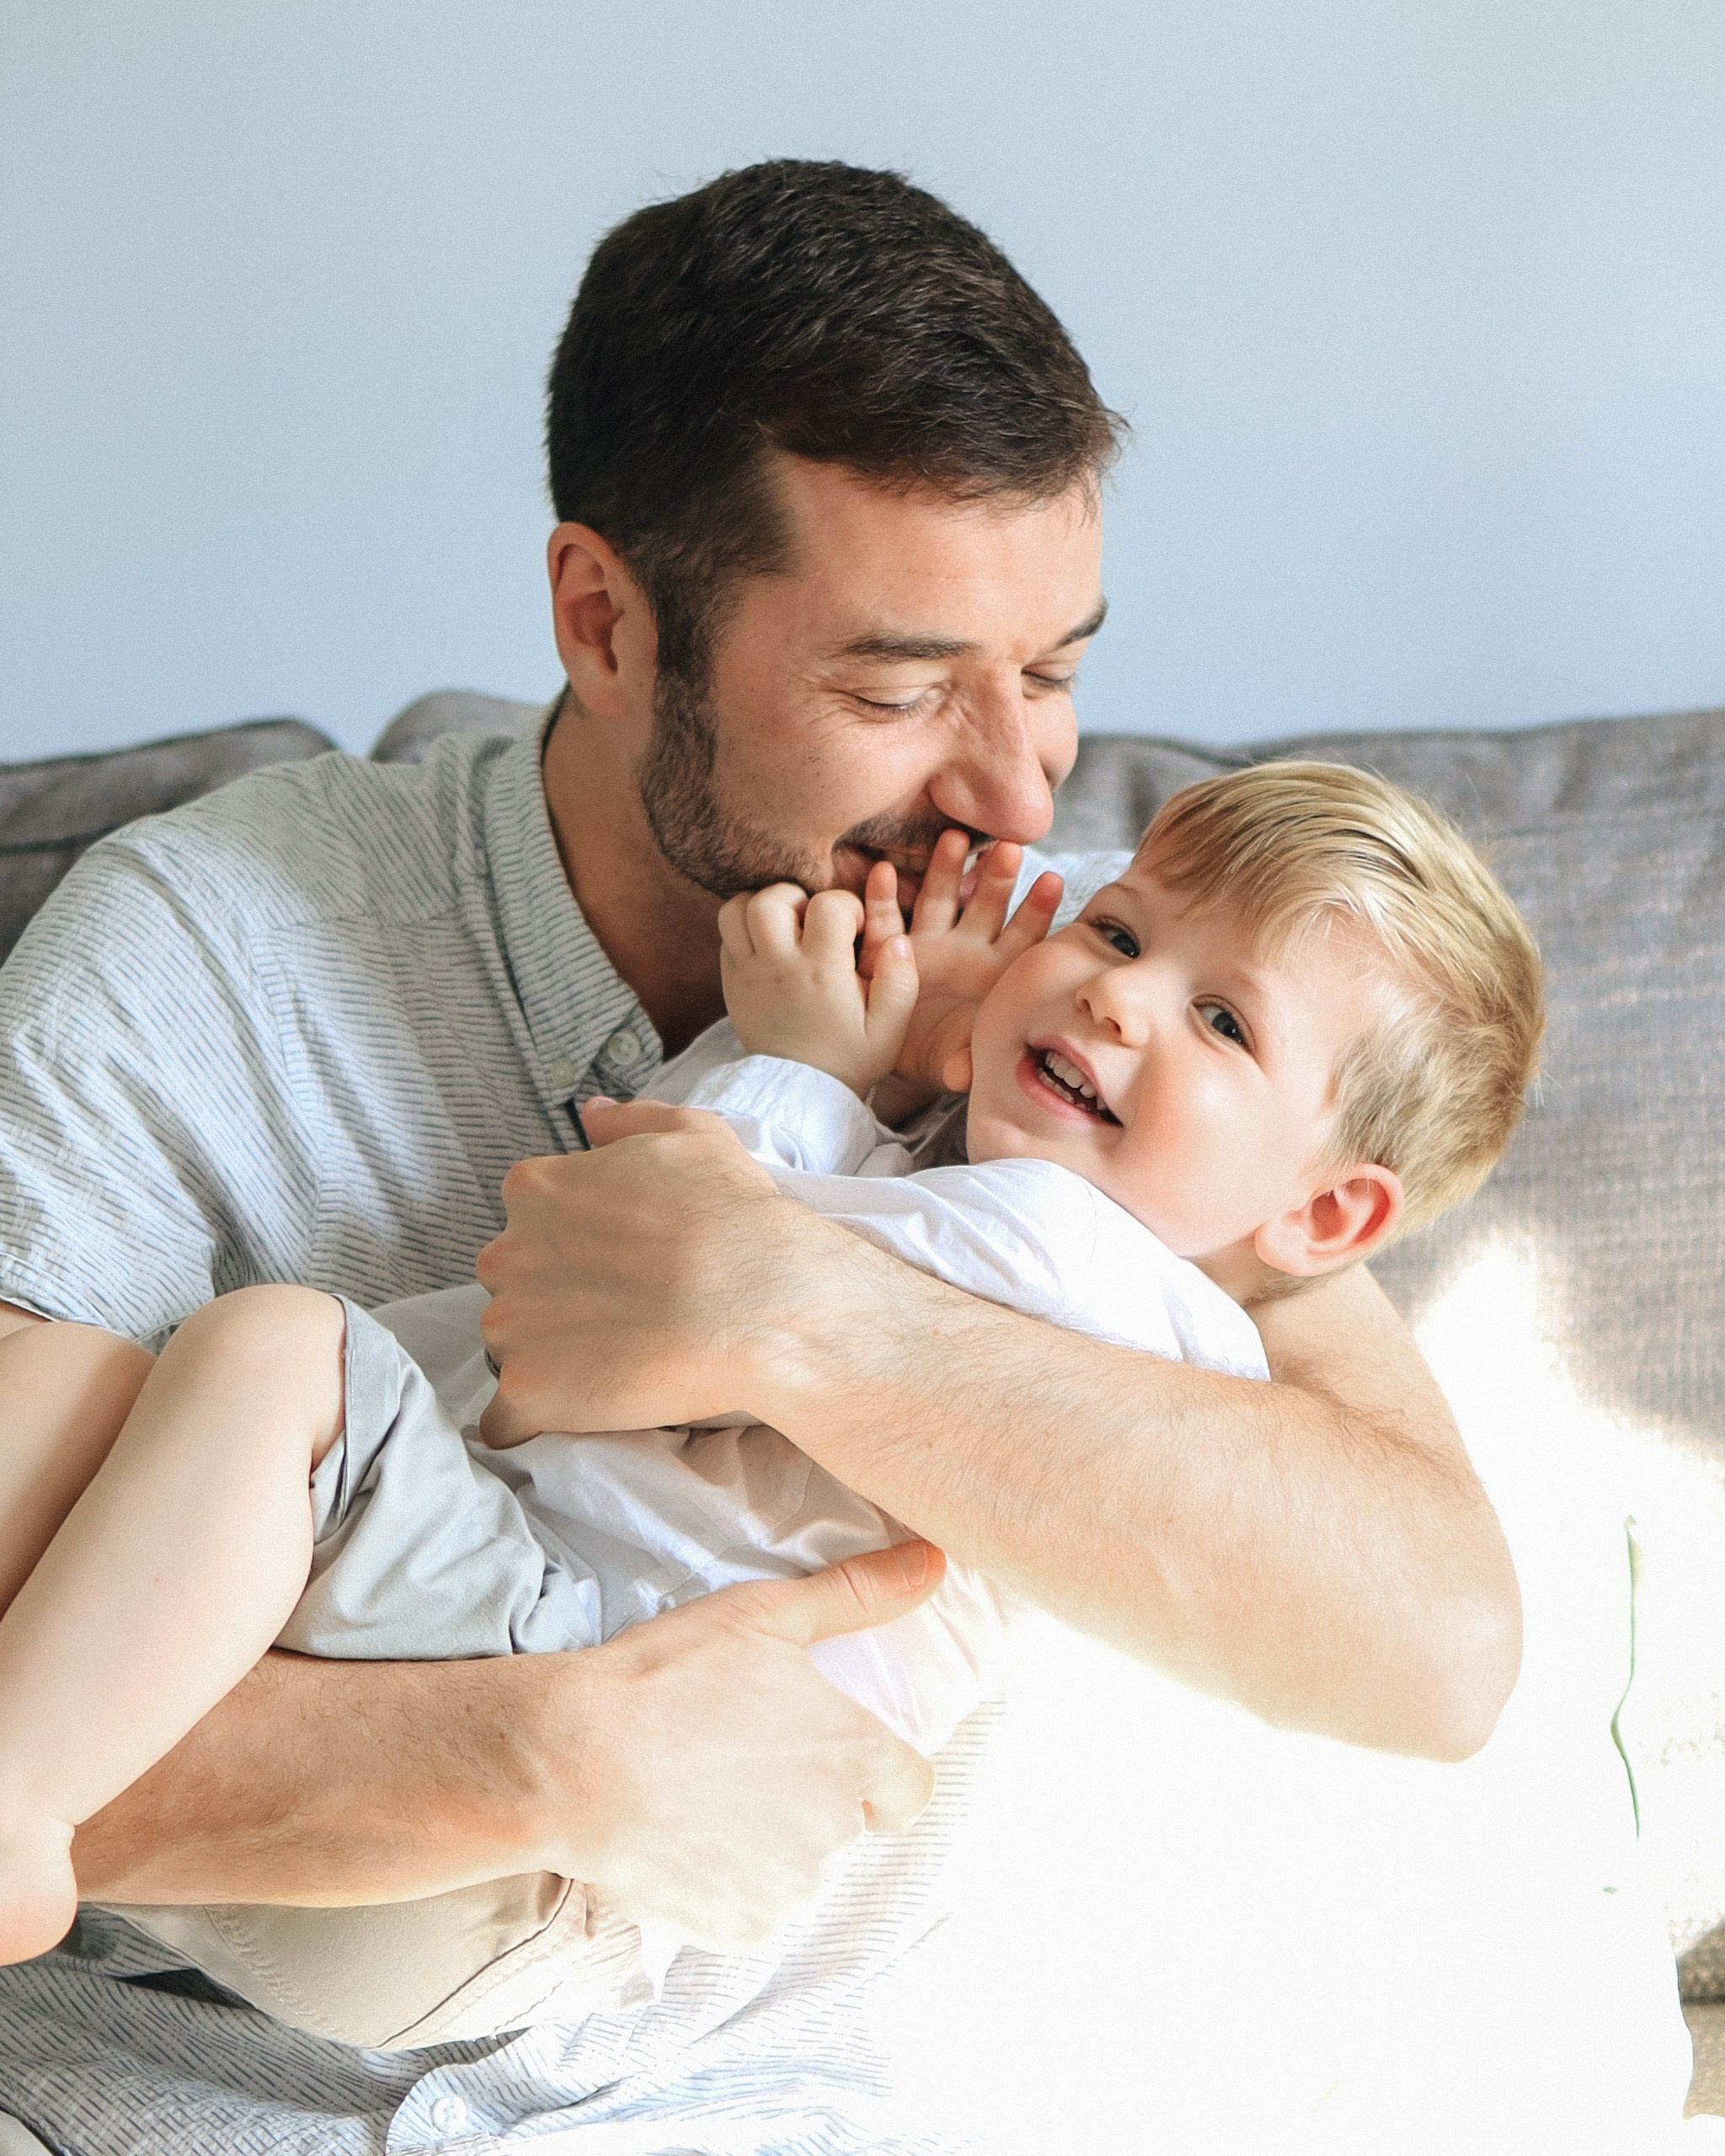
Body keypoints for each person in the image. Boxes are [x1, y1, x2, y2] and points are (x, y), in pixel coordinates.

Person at [0, 162, 1522, 2153]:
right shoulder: (203, 950)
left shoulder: (1119, 1008)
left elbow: (1424, 1642)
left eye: (1053, 668)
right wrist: (534, 1757)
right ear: (603, 617)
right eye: (896, 686)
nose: (1015, 781)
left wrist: (779, 1305)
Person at [0, 760, 1540, 2052]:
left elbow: (658, 1245)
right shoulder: (1036, 1177)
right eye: (1118, 928)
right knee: (83, 1389)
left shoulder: (1077, 1258)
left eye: (1224, 1023)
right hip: (479, 1740)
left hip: (542, 1712)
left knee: (277, 1353)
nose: (1118, 992)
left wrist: (819, 1063)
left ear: (1329, 1222)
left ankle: (20, 1797)